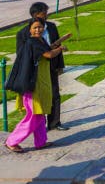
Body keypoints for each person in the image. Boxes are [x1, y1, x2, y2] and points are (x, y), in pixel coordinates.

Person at [5, 19, 63, 152]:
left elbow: (47, 50)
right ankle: (12, 141)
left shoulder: (40, 41)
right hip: (33, 85)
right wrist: (60, 49)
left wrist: (55, 46)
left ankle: (41, 141)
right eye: (35, 28)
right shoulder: (33, 42)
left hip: (41, 82)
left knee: (40, 114)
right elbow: (48, 54)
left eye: (40, 27)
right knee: (34, 116)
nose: (38, 30)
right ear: (30, 29)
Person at [16, 2, 68, 132]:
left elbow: (55, 47)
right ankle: (38, 124)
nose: (46, 15)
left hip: (51, 67)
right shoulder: (23, 33)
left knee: (54, 93)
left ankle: (54, 123)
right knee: (37, 98)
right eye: (44, 13)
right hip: (35, 70)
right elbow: (21, 54)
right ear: (35, 14)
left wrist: (59, 64)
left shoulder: (51, 27)